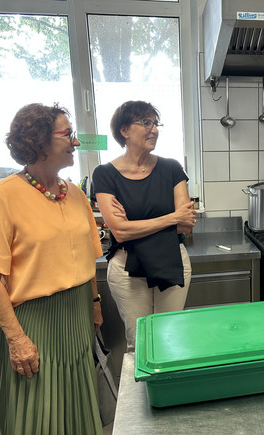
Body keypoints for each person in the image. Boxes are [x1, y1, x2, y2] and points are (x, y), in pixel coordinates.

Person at [0, 104, 104, 433]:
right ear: (39, 141)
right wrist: (17, 339)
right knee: (37, 413)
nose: (75, 142)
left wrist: (95, 303)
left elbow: (87, 259)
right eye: (68, 135)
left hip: (77, 315)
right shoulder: (2, 198)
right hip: (34, 323)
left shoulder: (74, 195)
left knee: (77, 404)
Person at [91, 100, 196, 351]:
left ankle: (167, 391)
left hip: (172, 260)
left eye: (156, 123)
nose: (155, 130)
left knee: (170, 336)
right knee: (138, 342)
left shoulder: (171, 167)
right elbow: (120, 231)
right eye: (146, 123)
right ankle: (142, 392)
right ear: (124, 130)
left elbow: (186, 225)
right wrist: (170, 218)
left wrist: (136, 224)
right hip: (127, 267)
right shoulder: (104, 174)